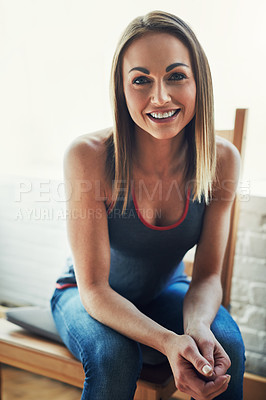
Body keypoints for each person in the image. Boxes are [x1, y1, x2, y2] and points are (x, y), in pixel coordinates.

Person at [50, 10, 245, 400]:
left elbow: (206, 277)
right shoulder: (88, 156)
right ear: (122, 90)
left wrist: (197, 331)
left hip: (165, 289)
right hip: (86, 295)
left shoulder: (222, 160)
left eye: (176, 76)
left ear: (198, 83)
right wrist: (169, 342)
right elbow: (93, 288)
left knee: (226, 344)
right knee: (115, 356)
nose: (160, 97)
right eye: (141, 80)